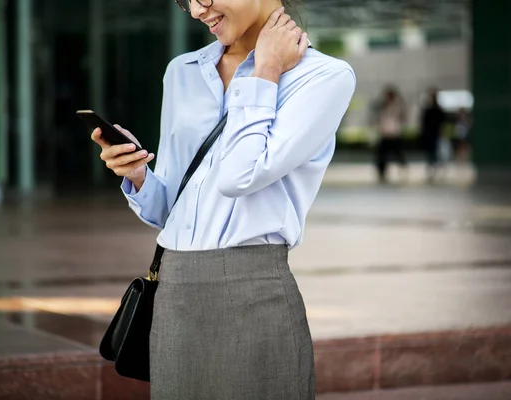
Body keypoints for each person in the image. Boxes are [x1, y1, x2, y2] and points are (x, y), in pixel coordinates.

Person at [90, 1, 356, 399]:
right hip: (175, 294)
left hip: (256, 292)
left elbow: (239, 176)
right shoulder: (183, 72)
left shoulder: (323, 77)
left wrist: (264, 73)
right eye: (185, 0)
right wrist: (138, 175)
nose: (196, 10)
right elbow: (174, 210)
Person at [373, 86, 407, 183]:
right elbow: (378, 118)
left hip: (395, 134)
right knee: (381, 156)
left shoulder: (398, 106)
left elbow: (403, 117)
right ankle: (382, 173)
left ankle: (402, 169)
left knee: (399, 154)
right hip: (385, 134)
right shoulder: (382, 106)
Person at [419, 88, 446, 182]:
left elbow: (442, 122)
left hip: (435, 134)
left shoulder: (438, 110)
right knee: (430, 154)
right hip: (430, 135)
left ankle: (436, 170)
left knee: (435, 154)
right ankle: (431, 172)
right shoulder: (428, 109)